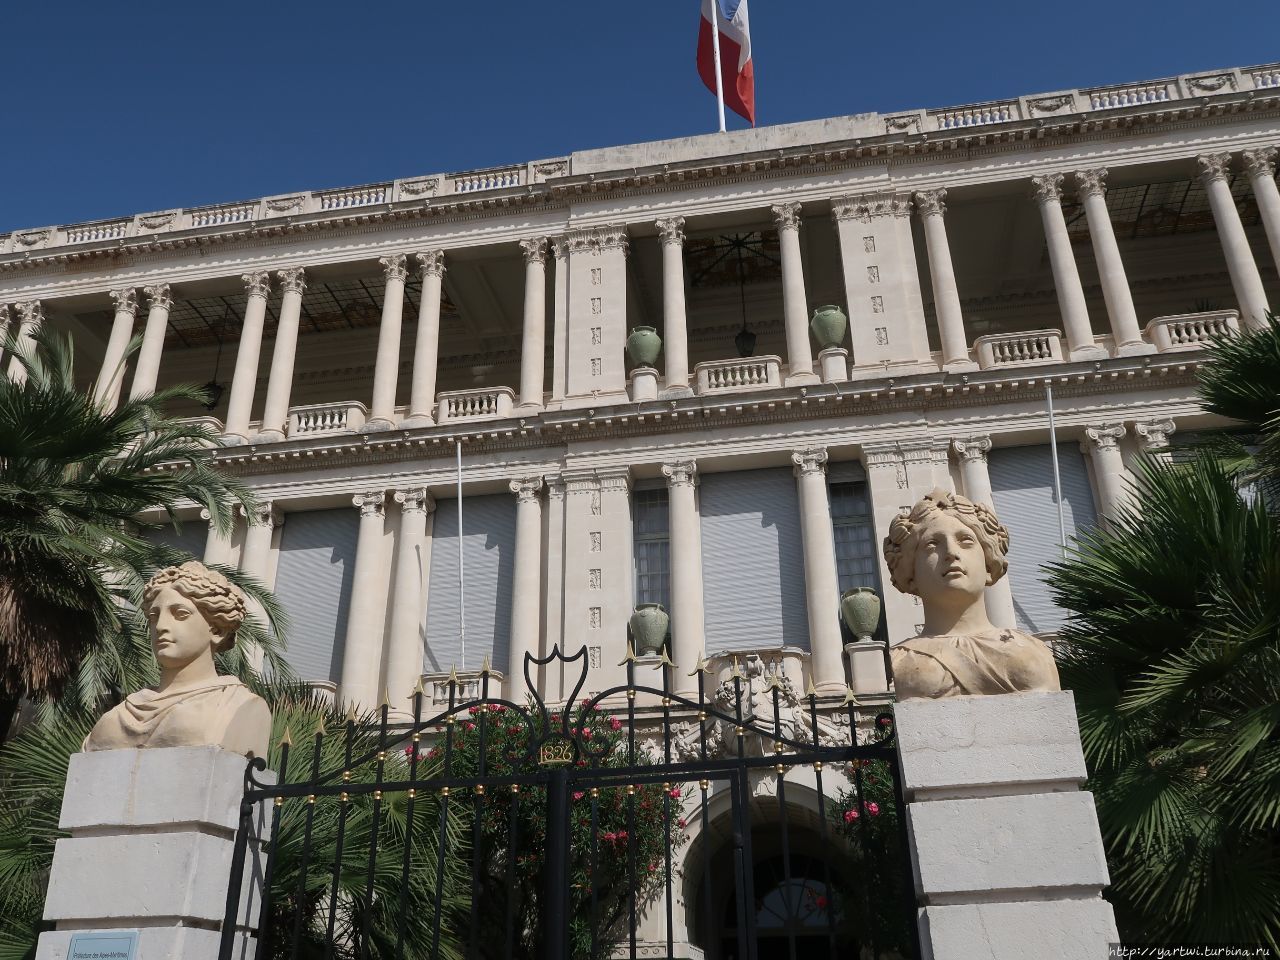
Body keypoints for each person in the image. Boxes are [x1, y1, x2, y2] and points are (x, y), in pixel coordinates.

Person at [882, 488, 1060, 700]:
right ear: (911, 574)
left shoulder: (1032, 652)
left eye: (965, 541)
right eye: (932, 545)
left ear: (988, 564)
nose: (951, 553)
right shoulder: (903, 660)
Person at [83, 561, 271, 758]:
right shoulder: (121, 713)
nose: (160, 626)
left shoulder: (239, 708)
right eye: (154, 616)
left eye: (180, 614)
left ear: (217, 630)